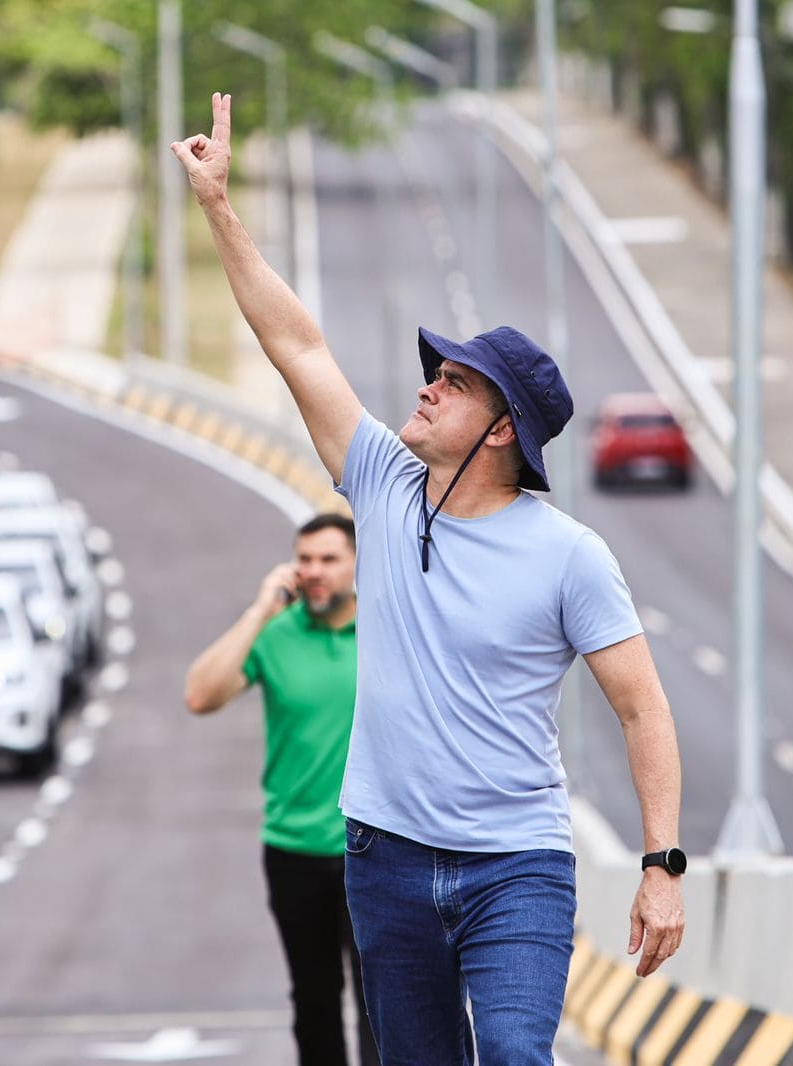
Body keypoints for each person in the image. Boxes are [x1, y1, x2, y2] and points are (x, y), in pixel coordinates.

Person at [172, 93, 685, 1066]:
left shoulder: (569, 554)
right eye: (433, 371)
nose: (425, 384)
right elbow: (296, 344)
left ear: (501, 432)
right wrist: (218, 208)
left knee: (520, 1059)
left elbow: (643, 710)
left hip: (517, 869)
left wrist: (661, 864)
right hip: (383, 859)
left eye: (451, 382)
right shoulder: (382, 485)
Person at [184, 513, 378, 1066]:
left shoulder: (388, 628)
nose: (314, 571)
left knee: (380, 1005)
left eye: (329, 559)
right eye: (305, 559)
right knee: (313, 1002)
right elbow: (200, 695)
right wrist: (260, 610)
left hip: (374, 854)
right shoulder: (276, 633)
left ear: (357, 564)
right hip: (292, 851)